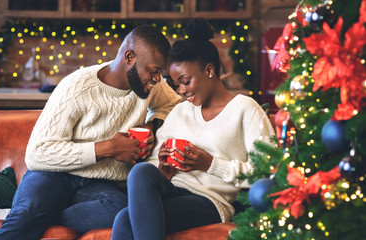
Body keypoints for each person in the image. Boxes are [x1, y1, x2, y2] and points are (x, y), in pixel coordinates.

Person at [0, 24, 181, 239]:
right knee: (25, 215)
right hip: (54, 175)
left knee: (123, 211)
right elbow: (37, 153)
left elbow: (174, 105)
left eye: (160, 73)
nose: (158, 79)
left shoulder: (151, 86)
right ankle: (38, 212)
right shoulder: (76, 87)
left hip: (101, 185)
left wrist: (152, 125)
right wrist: (109, 148)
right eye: (154, 71)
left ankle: (46, 213)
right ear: (129, 57)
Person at [111, 18, 275, 240]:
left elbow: (267, 172)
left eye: (185, 81)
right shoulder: (181, 111)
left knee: (124, 220)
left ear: (209, 70)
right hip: (172, 190)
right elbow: (153, 169)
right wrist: (162, 166)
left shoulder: (245, 109)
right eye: (176, 84)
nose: (181, 91)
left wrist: (211, 164)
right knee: (141, 171)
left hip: (210, 201)